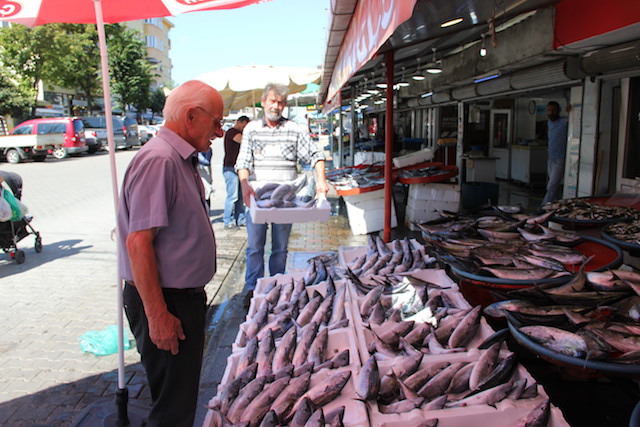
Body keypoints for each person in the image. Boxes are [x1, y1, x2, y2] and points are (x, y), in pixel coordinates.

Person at [117, 80, 224, 427]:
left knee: (178, 399)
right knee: (173, 410)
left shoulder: (180, 158)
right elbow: (138, 243)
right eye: (216, 122)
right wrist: (158, 316)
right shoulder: (160, 160)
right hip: (166, 303)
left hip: (178, 300)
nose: (220, 132)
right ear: (191, 116)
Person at [236, 83, 329, 302]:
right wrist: (244, 186)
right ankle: (253, 288)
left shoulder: (294, 129)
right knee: (254, 246)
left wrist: (321, 182)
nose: (276, 106)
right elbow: (243, 161)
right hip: (257, 199)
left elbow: (316, 154)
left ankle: (276, 285)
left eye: (281, 102)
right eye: (273, 101)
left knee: (280, 248)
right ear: (263, 101)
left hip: (286, 199)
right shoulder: (251, 128)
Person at [222, 116, 250, 229]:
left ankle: (240, 218)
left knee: (240, 196)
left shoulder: (237, 132)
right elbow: (242, 140)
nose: (244, 128)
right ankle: (228, 221)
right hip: (230, 168)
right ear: (238, 122)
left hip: (238, 168)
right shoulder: (232, 132)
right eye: (243, 126)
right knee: (232, 196)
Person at [542, 101, 569, 205]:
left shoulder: (564, 121)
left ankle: (544, 207)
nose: (551, 113)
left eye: (553, 110)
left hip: (560, 158)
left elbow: (574, 118)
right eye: (549, 110)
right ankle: (555, 204)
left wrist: (571, 111)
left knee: (552, 185)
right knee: (554, 185)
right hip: (551, 157)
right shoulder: (549, 123)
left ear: (558, 111)